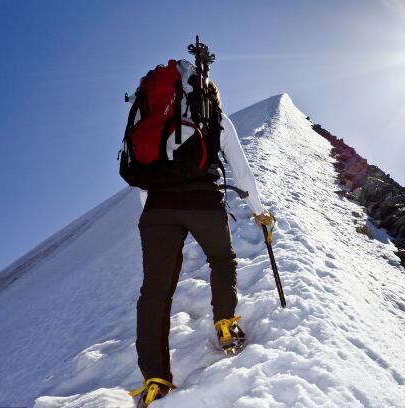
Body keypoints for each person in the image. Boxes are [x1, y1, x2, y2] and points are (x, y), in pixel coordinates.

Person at [126, 57, 273, 405]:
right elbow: (241, 169)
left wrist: (156, 212)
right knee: (222, 260)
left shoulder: (150, 118)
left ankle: (155, 378)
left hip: (157, 209)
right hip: (203, 201)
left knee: (154, 294)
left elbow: (143, 176)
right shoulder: (211, 114)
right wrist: (259, 212)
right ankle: (225, 324)